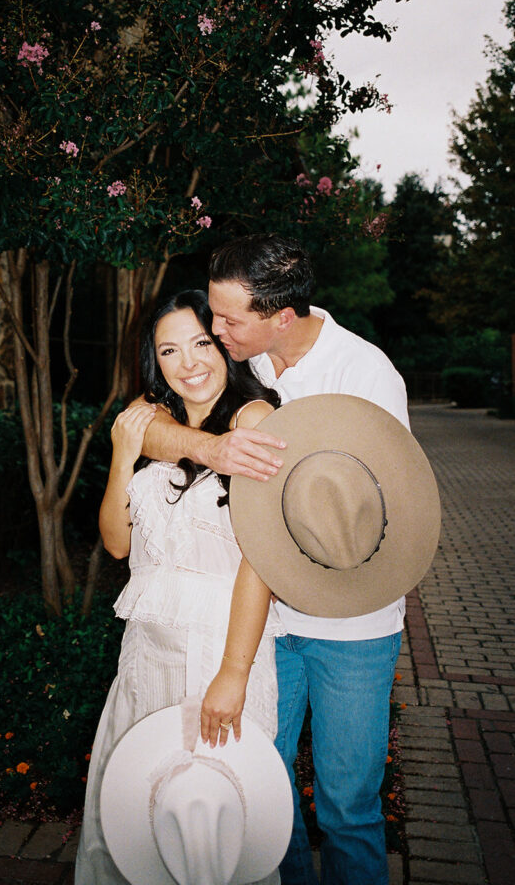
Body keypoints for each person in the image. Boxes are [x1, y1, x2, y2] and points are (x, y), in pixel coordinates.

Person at [141, 234, 410, 885]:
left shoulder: (365, 375)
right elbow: (145, 425)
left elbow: (382, 514)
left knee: (348, 808)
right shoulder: (243, 363)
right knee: (263, 794)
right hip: (263, 630)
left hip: (352, 627)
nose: (215, 330)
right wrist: (214, 451)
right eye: (213, 313)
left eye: (229, 319)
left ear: (280, 318)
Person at [75, 289, 285, 885]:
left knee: (210, 832)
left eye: (201, 342)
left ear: (225, 345)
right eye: (169, 350)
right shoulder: (151, 420)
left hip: (218, 652)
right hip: (145, 656)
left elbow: (262, 561)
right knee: (133, 821)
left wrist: (234, 675)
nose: (188, 362)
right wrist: (123, 453)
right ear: (154, 361)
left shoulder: (254, 419)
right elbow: (117, 542)